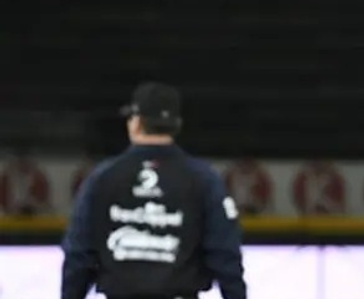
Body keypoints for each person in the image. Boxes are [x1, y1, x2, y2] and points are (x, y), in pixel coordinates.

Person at [60, 82, 247, 299]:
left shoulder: (102, 178)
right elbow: (225, 255)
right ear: (176, 125)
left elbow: (78, 255)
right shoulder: (203, 179)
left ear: (136, 122)